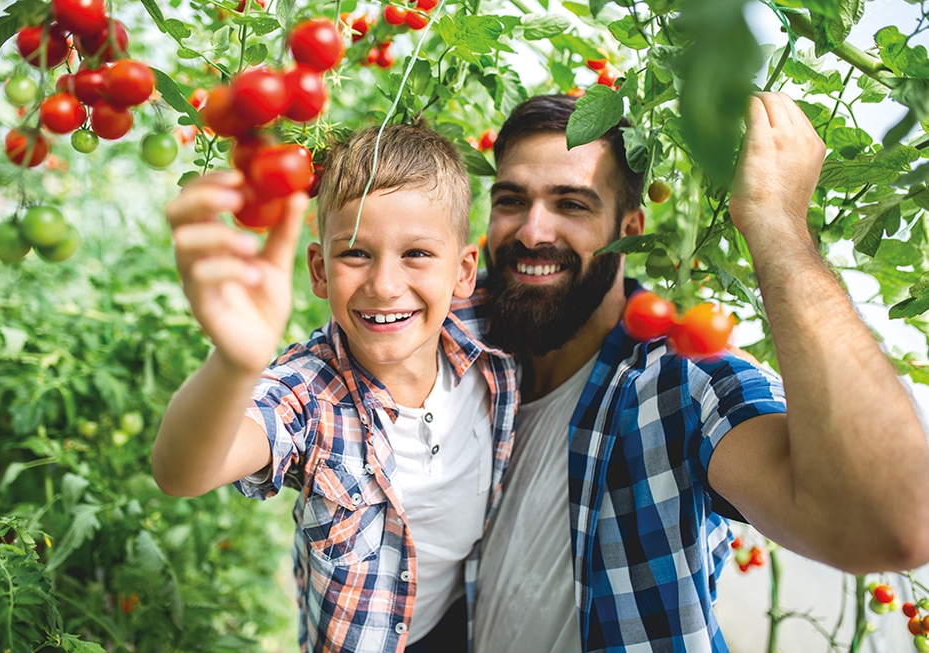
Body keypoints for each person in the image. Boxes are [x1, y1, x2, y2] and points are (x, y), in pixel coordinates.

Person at [468, 92, 929, 652]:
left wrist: (778, 227)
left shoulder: (677, 385)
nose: (533, 231)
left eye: (572, 204)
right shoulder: (459, 363)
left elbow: (890, 522)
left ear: (630, 227)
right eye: (511, 200)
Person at [151, 124, 517, 653]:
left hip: (468, 618)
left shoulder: (486, 331)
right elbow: (183, 472)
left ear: (463, 273)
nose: (385, 285)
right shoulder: (310, 391)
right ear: (319, 271)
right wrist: (234, 364)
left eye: (416, 253)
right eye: (356, 254)